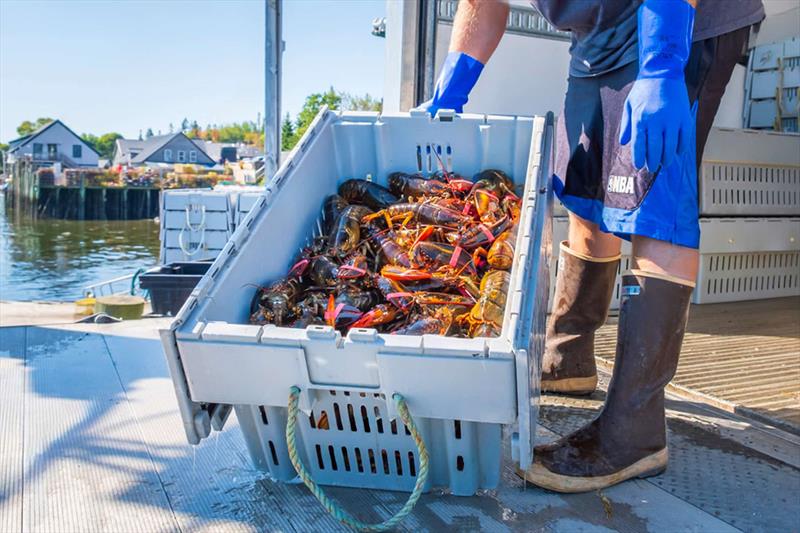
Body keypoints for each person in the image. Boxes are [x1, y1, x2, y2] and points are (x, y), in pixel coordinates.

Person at [418, 0, 764, 492]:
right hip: (598, 39)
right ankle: (567, 355)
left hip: (678, 21)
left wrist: (663, 66)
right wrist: (455, 81)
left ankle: (635, 432)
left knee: (653, 206)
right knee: (583, 192)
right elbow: (482, 3)